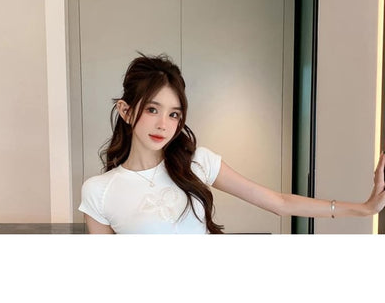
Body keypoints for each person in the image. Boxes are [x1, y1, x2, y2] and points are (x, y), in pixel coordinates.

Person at [78, 52, 385, 234]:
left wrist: (364, 209)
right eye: (152, 109)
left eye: (174, 114)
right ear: (126, 111)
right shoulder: (98, 192)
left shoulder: (197, 163)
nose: (163, 124)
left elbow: (279, 203)